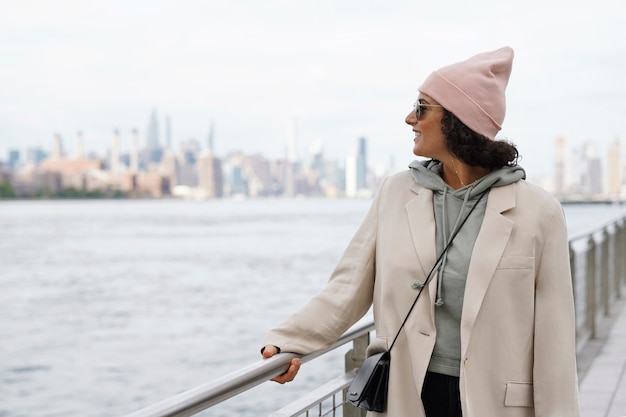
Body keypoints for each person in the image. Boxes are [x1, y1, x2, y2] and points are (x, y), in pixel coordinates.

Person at [261, 46, 581, 417]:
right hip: (407, 395)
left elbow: (555, 342)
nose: (409, 118)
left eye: (422, 107)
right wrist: (287, 341)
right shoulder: (394, 194)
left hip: (496, 403)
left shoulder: (540, 212)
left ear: (458, 120)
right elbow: (346, 289)